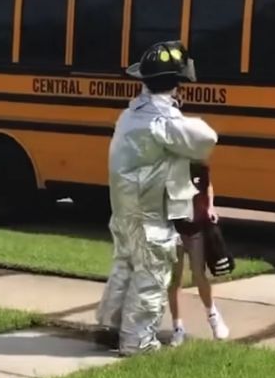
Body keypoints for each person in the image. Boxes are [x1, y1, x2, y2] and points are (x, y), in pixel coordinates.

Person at [94, 40, 218, 357]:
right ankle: (138, 341)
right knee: (151, 273)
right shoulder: (163, 120)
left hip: (124, 209)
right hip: (149, 213)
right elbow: (206, 140)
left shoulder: (130, 114)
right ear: (175, 84)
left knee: (126, 264)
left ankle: (110, 325)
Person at [168, 161, 229, 346]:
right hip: (175, 228)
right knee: (175, 279)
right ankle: (178, 327)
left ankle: (213, 316)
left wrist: (210, 206)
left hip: (196, 228)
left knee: (198, 273)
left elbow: (208, 186)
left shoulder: (199, 167)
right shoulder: (169, 165)